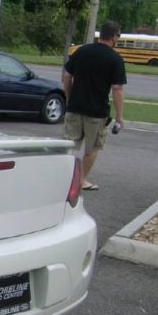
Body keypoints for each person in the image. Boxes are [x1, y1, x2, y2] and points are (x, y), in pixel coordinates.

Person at [62, 20, 127, 190]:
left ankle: (62, 178)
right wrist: (119, 116)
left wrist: (69, 97)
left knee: (68, 145)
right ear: (114, 37)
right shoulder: (115, 59)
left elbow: (67, 76)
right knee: (92, 148)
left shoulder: (81, 51)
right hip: (97, 112)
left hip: (74, 107)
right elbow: (117, 89)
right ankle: (81, 181)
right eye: (118, 36)